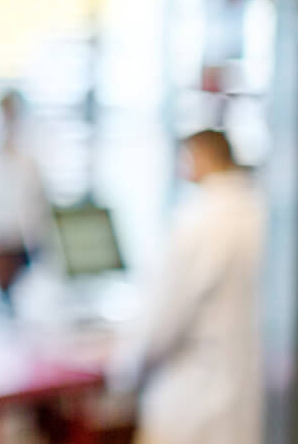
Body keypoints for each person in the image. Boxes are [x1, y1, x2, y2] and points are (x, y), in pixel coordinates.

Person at [114, 129, 265, 444]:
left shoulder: (198, 221)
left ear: (199, 157)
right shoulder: (259, 213)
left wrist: (124, 373)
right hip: (243, 395)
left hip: (192, 399)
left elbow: (162, 321)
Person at [0, 90, 48, 311]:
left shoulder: (30, 161)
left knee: (24, 300)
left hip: (25, 242)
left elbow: (37, 207)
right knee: (3, 306)